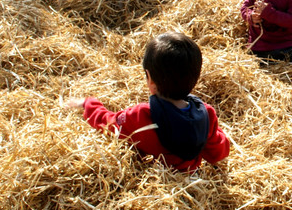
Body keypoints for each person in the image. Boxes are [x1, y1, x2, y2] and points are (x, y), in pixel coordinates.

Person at [65, 32, 230, 173]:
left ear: (150, 79)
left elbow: (108, 124)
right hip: (192, 185)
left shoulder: (141, 116)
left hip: (155, 183)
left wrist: (88, 103)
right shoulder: (205, 114)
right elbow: (218, 153)